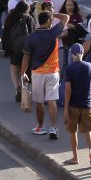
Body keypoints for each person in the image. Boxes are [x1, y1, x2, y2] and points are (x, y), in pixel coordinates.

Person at [21, 10, 70, 139]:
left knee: (39, 102)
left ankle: (40, 127)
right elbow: (66, 17)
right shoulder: (53, 33)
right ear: (49, 21)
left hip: (37, 73)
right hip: (53, 72)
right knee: (52, 100)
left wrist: (22, 74)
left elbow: (26, 57)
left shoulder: (32, 37)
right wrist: (55, 15)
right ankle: (53, 128)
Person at [61, 43, 91, 166]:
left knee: (73, 132)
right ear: (82, 54)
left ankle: (75, 158)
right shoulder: (90, 66)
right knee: (88, 132)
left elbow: (68, 90)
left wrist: (65, 108)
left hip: (73, 106)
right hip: (87, 105)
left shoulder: (69, 69)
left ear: (72, 55)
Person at [3, 1, 34, 103]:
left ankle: (17, 88)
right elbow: (32, 33)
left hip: (14, 49)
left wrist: (6, 48)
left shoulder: (10, 17)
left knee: (14, 69)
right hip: (26, 49)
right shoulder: (28, 18)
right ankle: (24, 88)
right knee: (24, 70)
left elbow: (5, 34)